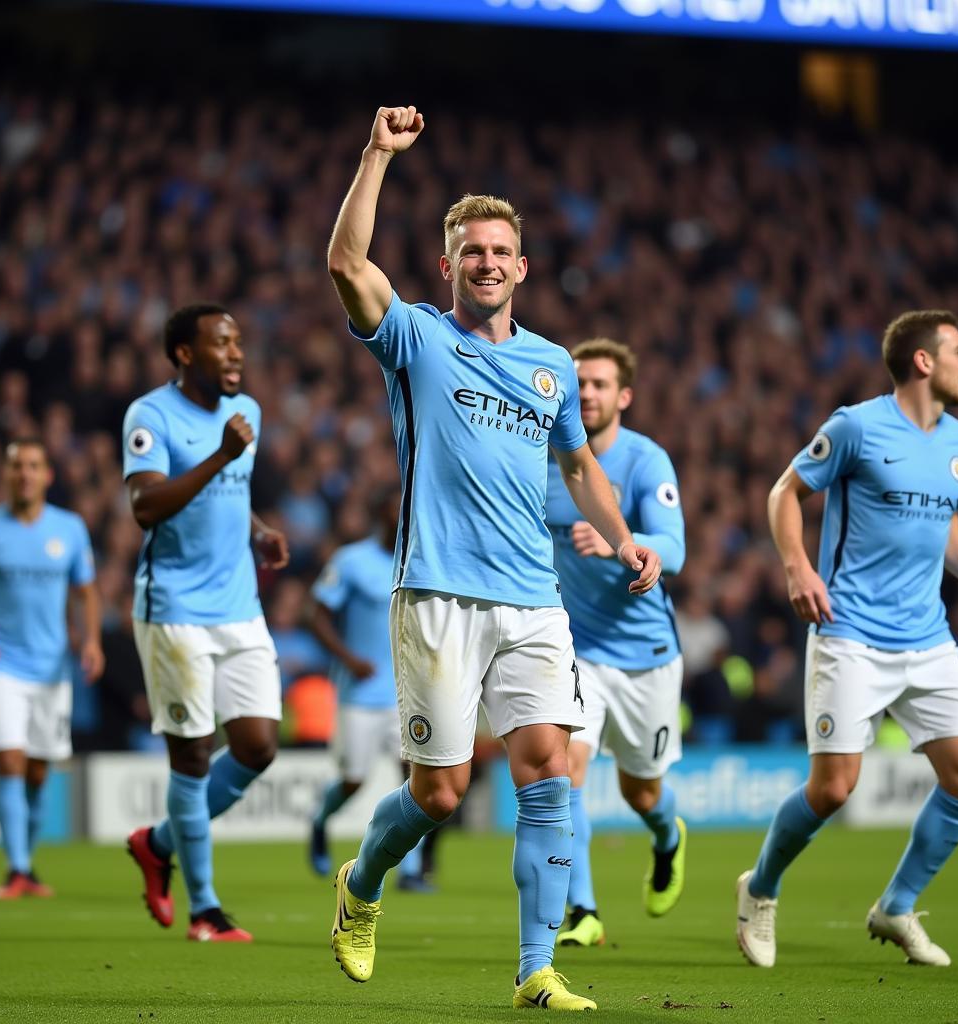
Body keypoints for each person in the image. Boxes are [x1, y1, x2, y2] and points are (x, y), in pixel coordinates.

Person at [325, 105, 661, 1011]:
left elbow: (580, 464)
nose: (486, 262)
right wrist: (377, 155)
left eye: (500, 251)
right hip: (436, 592)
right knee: (439, 795)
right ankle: (361, 883)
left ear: (522, 265)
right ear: (448, 265)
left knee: (548, 767)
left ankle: (535, 969)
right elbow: (348, 265)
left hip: (532, 599)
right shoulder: (417, 338)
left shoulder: (553, 366)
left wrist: (628, 541)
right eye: (470, 250)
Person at [736, 310, 958, 968]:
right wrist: (798, 567)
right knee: (833, 789)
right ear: (924, 361)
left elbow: (943, 521)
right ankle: (760, 888)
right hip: (850, 632)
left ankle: (896, 905)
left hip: (927, 637)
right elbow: (784, 493)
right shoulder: (856, 426)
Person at [122, 303, 289, 942]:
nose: (237, 354)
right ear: (186, 353)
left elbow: (231, 496)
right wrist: (220, 456)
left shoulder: (246, 413)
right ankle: (205, 910)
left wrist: (260, 530)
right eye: (222, 344)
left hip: (240, 607)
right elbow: (145, 506)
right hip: (176, 610)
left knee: (257, 746)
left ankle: (157, 844)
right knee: (191, 754)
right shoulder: (151, 415)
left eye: (239, 342)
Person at [544, 339, 686, 948]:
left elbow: (674, 547)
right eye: (581, 382)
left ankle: (668, 836)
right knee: (566, 769)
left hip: (647, 655)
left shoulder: (645, 461)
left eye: (601, 384)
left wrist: (618, 540)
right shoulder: (545, 457)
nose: (589, 393)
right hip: (577, 648)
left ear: (623, 396)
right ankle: (583, 911)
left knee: (641, 790)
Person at [0, 438, 104, 898]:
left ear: (47, 475)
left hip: (53, 667)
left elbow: (86, 589)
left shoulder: (69, 529)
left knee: (38, 770)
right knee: (9, 760)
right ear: (7, 474)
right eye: (17, 466)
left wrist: (90, 639)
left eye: (33, 466)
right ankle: (16, 869)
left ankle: (27, 866)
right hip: (2, 667)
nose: (25, 474)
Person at [307, 487, 437, 892]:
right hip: (361, 694)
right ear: (382, 516)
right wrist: (348, 659)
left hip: (409, 692)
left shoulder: (424, 561)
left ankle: (412, 871)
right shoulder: (351, 561)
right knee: (354, 779)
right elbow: (317, 614)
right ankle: (320, 820)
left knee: (418, 781)